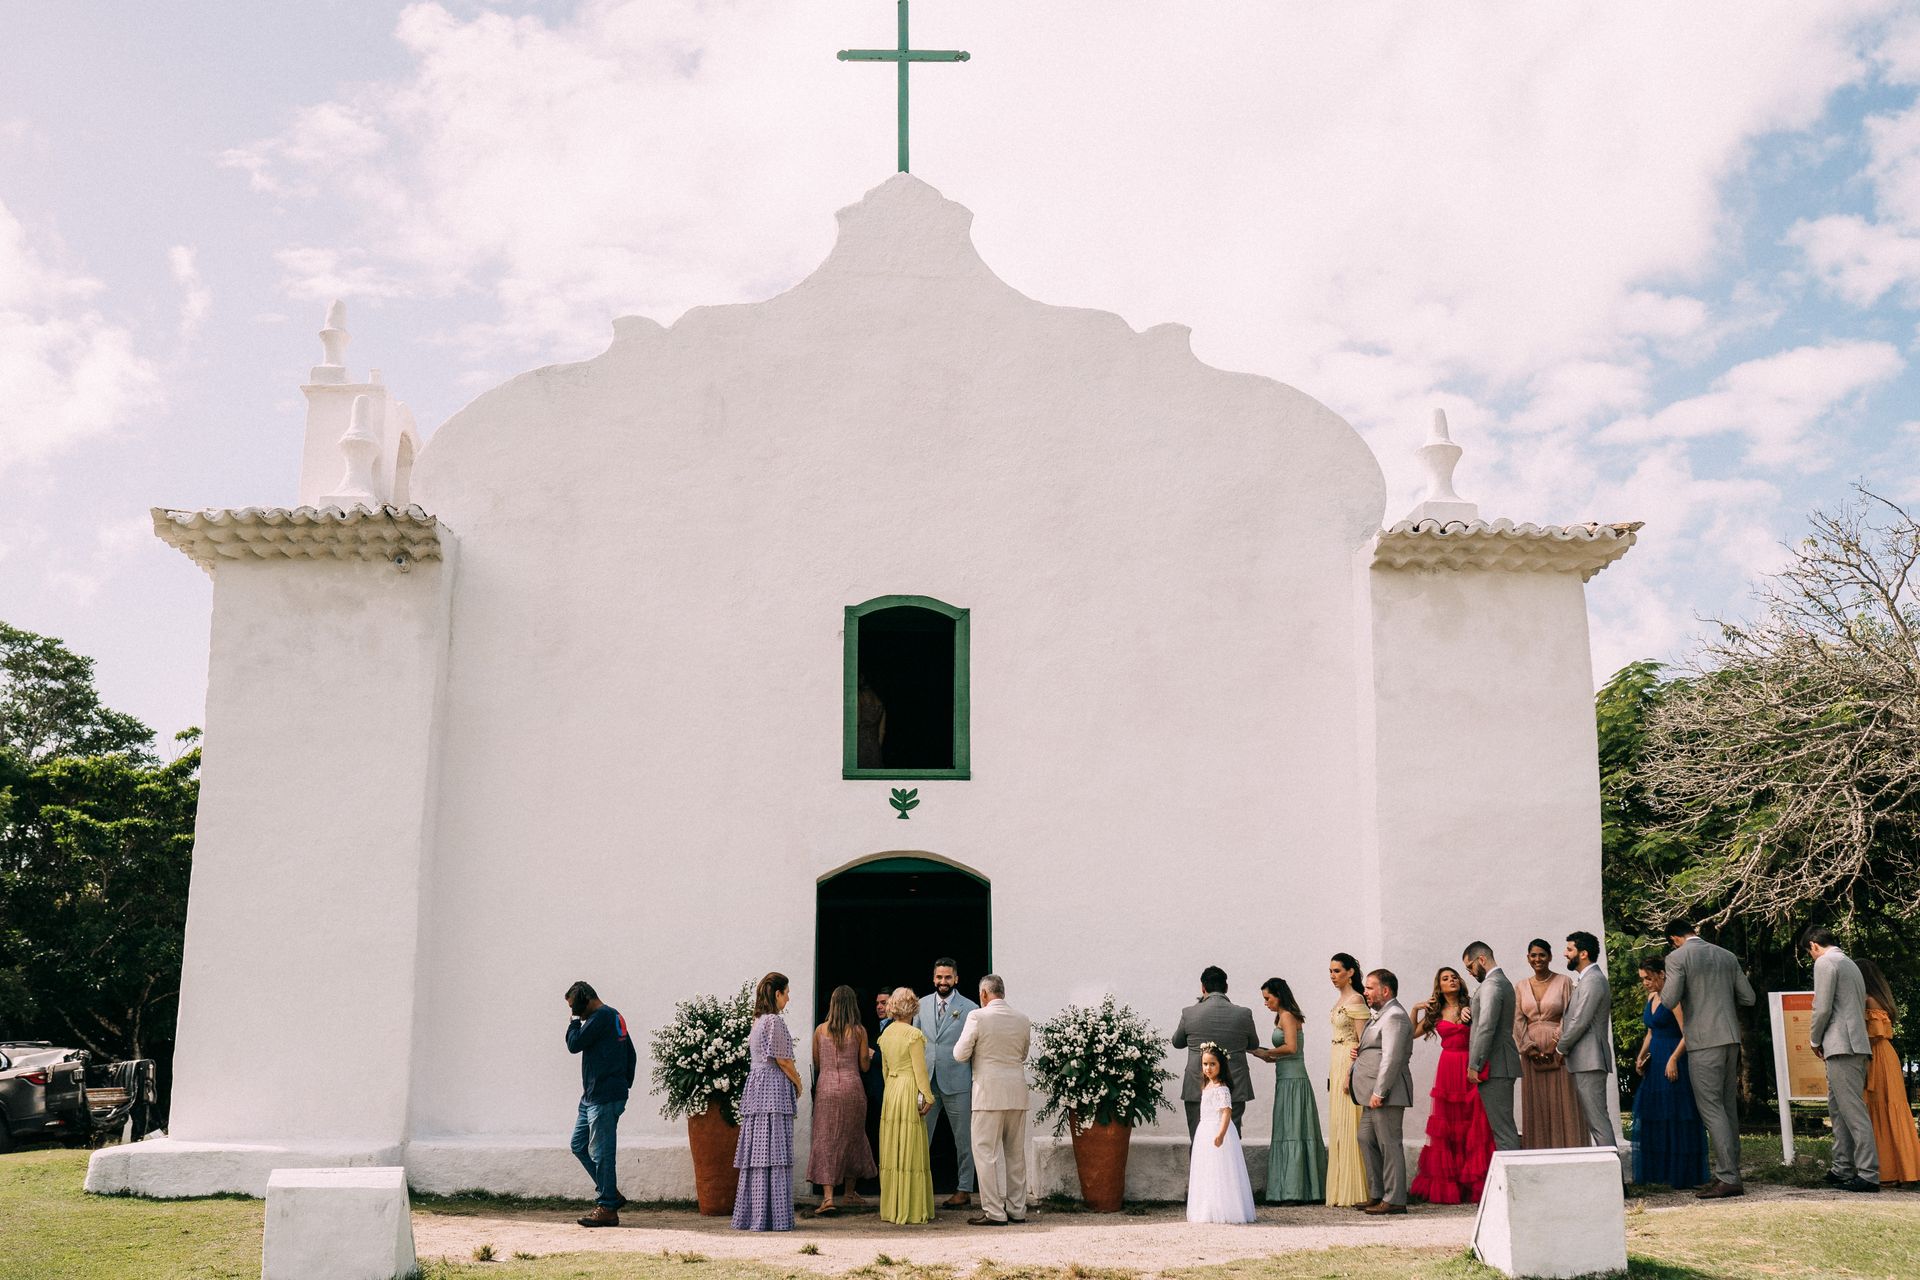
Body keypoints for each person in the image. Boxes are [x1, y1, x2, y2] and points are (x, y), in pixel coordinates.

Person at [1660, 919, 1755, 1198]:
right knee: (1727, 1109)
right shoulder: (1726, 955)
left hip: (1702, 1041)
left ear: (1674, 938)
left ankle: (1728, 1177)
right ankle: (1730, 1173)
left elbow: (1668, 1000)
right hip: (1730, 1038)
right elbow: (1748, 997)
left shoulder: (1677, 957)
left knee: (1711, 1109)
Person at [1408, 967, 1495, 1204]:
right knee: (1449, 1124)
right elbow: (1412, 1033)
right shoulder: (1436, 1013)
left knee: (1474, 1121)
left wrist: (1472, 1012)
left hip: (1470, 1064)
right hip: (1448, 1068)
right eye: (1446, 978)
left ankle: (1475, 1182)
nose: (1452, 980)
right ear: (1440, 985)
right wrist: (1416, 1009)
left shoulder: (1471, 1004)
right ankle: (1453, 1183)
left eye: (1454, 976)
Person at [952, 974, 1033, 1226]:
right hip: (1016, 1092)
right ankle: (1018, 1209)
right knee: (1015, 1154)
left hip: (987, 1093)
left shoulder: (977, 1016)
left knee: (985, 1153)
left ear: (984, 994)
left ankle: (995, 1211)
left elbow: (959, 1053)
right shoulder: (1022, 1019)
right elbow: (1023, 1054)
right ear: (1003, 992)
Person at [1803, 928, 1879, 1192]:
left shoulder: (1825, 962)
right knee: (1839, 1110)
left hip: (1841, 1044)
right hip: (1854, 1043)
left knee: (1852, 1112)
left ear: (1813, 946)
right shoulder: (1849, 963)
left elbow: (1821, 1006)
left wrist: (1814, 1039)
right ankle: (1841, 1168)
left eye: (1809, 953)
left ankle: (1869, 1173)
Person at [1630, 954, 1708, 1190]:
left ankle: (1681, 1172)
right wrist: (1641, 1056)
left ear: (1662, 974)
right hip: (1655, 1060)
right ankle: (1659, 1170)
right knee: (1656, 1113)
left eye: (1649, 978)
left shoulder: (1673, 999)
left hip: (1673, 1057)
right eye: (1643, 979)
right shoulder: (1652, 996)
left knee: (1676, 1113)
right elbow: (1651, 1032)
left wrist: (1674, 1058)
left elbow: (1688, 1033)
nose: (1645, 982)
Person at [734, 972, 804, 1231]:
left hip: (758, 1086)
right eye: (787, 992)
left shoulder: (759, 1020)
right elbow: (783, 1060)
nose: (789, 997)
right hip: (772, 1088)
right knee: (773, 1149)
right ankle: (773, 1216)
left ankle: (756, 1215)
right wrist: (798, 1082)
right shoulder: (774, 1021)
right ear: (777, 994)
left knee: (760, 1149)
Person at [564, 980, 637, 1228]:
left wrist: (573, 1022)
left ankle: (607, 1207)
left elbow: (574, 1044)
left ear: (587, 999)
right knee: (578, 1145)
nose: (576, 1014)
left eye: (576, 1008)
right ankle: (611, 1194)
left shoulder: (602, 1017)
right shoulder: (614, 1017)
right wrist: (625, 1083)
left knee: (602, 1153)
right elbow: (631, 1053)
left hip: (604, 1097)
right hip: (593, 1097)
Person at [1251, 977, 1325, 1204]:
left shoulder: (1287, 1016)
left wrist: (1268, 1053)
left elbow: (1291, 1047)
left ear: (1278, 995)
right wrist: (1267, 1056)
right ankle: (1295, 1189)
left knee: (1293, 1129)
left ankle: (1293, 1191)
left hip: (1293, 1080)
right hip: (1286, 1077)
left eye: (1268, 998)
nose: (1266, 1003)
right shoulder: (1284, 1016)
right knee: (1290, 1128)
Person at [807, 984, 877, 1217]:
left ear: (833, 1004)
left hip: (826, 1089)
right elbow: (864, 1067)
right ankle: (848, 1192)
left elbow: (817, 1064)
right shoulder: (859, 1031)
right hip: (852, 1089)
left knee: (826, 1140)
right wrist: (868, 1054)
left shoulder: (820, 1030)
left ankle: (828, 1198)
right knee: (853, 1138)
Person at [915, 958, 979, 1208]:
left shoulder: (970, 1007)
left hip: (958, 1080)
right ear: (933, 978)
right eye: (939, 977)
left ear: (956, 979)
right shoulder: (920, 1005)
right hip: (927, 1081)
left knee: (963, 1139)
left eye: (948, 977)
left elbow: (975, 1046)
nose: (943, 982)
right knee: (921, 1137)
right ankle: (919, 1189)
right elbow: (916, 1044)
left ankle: (964, 1189)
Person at [1172, 966, 1261, 1138]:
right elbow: (1253, 1044)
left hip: (1198, 1085)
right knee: (1230, 1139)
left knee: (1198, 1139)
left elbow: (1177, 1042)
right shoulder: (1243, 1014)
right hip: (1233, 1084)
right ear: (1226, 988)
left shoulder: (1189, 1013)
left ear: (1203, 988)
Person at [1514, 938, 1586, 1149]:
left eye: (1542, 955)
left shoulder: (1564, 982)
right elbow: (1517, 1020)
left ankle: (1569, 1148)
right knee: (1537, 1103)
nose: (1538, 959)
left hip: (1559, 1051)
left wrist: (1557, 1043)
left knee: (1563, 1100)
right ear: (1528, 958)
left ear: (1550, 957)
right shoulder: (1520, 986)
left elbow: (1570, 1014)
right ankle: (1539, 1149)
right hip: (1531, 1053)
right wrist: (1528, 1047)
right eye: (1533, 955)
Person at [1352, 969, 1413, 1216]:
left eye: (1369, 987)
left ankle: (1395, 1198)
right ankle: (1377, 1193)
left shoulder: (1395, 1016)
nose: (1365, 992)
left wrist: (1380, 1091)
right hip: (1370, 1094)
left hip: (1385, 1093)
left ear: (1385, 990)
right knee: (1365, 1138)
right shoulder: (1380, 1016)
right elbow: (1374, 1048)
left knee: (1389, 1144)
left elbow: (1392, 1057)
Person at [1858, 959, 1920, 1187]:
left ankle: (1888, 1170)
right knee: (1887, 1108)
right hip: (1884, 1056)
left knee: (1881, 1108)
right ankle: (1902, 1168)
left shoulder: (1869, 1000)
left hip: (1877, 1057)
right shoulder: (1879, 999)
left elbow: (1874, 1034)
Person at [878, 987, 937, 1223]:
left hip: (891, 1091)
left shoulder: (886, 1034)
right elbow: (920, 1071)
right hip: (909, 1086)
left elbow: (885, 1070)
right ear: (912, 1007)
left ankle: (893, 1208)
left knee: (893, 1146)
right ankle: (911, 1208)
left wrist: (892, 1088)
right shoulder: (913, 1034)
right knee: (911, 1147)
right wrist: (928, 1096)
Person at [1556, 931, 1615, 1150]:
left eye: (1569, 949)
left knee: (1598, 1121)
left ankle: (1614, 1179)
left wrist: (1561, 1047)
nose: (1565, 954)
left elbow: (1580, 1021)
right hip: (1584, 1059)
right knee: (1595, 1121)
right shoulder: (1587, 980)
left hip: (1590, 1059)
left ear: (1583, 953)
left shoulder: (1593, 980)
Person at [1185, 1044, 1258, 1223]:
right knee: (1207, 1169)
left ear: (1221, 1066)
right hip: (1205, 1130)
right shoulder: (1208, 1085)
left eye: (1212, 1064)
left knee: (1221, 1169)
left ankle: (1225, 1209)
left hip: (1217, 1129)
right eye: (1205, 1064)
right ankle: (1208, 1207)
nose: (1208, 1068)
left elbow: (1226, 1112)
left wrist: (1221, 1134)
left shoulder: (1221, 1087)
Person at [1461, 942, 1522, 1151]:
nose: (1469, 972)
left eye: (1469, 967)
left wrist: (1475, 1064)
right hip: (1500, 1062)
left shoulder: (1491, 985)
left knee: (1503, 1131)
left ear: (1482, 960)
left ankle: (1513, 1182)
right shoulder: (1500, 983)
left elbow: (1486, 1026)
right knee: (1502, 1128)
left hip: (1495, 1065)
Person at [1324, 953, 1372, 1206]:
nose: (1333, 976)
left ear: (1351, 972)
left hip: (1349, 1061)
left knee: (1350, 1124)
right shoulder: (1340, 999)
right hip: (1337, 1058)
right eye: (1331, 971)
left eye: (1337, 971)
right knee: (1338, 1124)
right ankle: (1340, 1187)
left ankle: (1356, 1190)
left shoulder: (1356, 999)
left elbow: (1363, 1041)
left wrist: (1351, 1073)